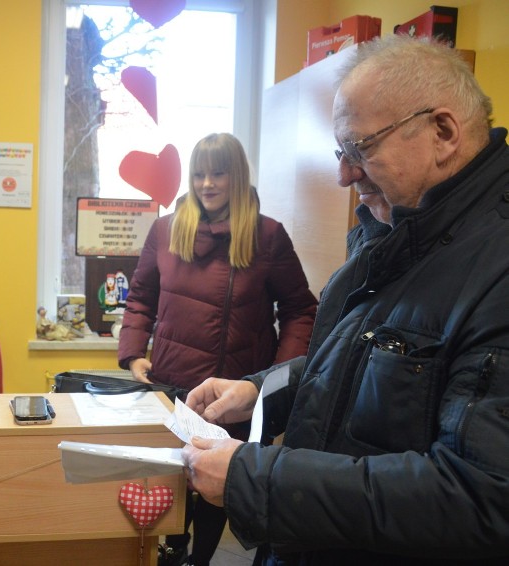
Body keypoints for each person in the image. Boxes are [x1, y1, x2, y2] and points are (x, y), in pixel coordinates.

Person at [182, 35, 509, 565]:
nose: (343, 175)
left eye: (360, 149)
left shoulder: (495, 269)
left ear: (443, 132)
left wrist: (255, 479)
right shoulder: (392, 234)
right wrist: (260, 390)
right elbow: (358, 366)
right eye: (341, 152)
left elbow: (480, 496)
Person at [118, 133, 318, 566]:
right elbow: (140, 297)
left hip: (233, 398)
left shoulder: (267, 236)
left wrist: (277, 378)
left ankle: (200, 560)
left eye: (218, 173)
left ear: (237, 176)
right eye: (199, 173)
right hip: (171, 388)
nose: (207, 183)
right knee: (169, 491)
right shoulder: (165, 230)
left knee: (216, 490)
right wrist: (134, 352)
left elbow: (301, 310)